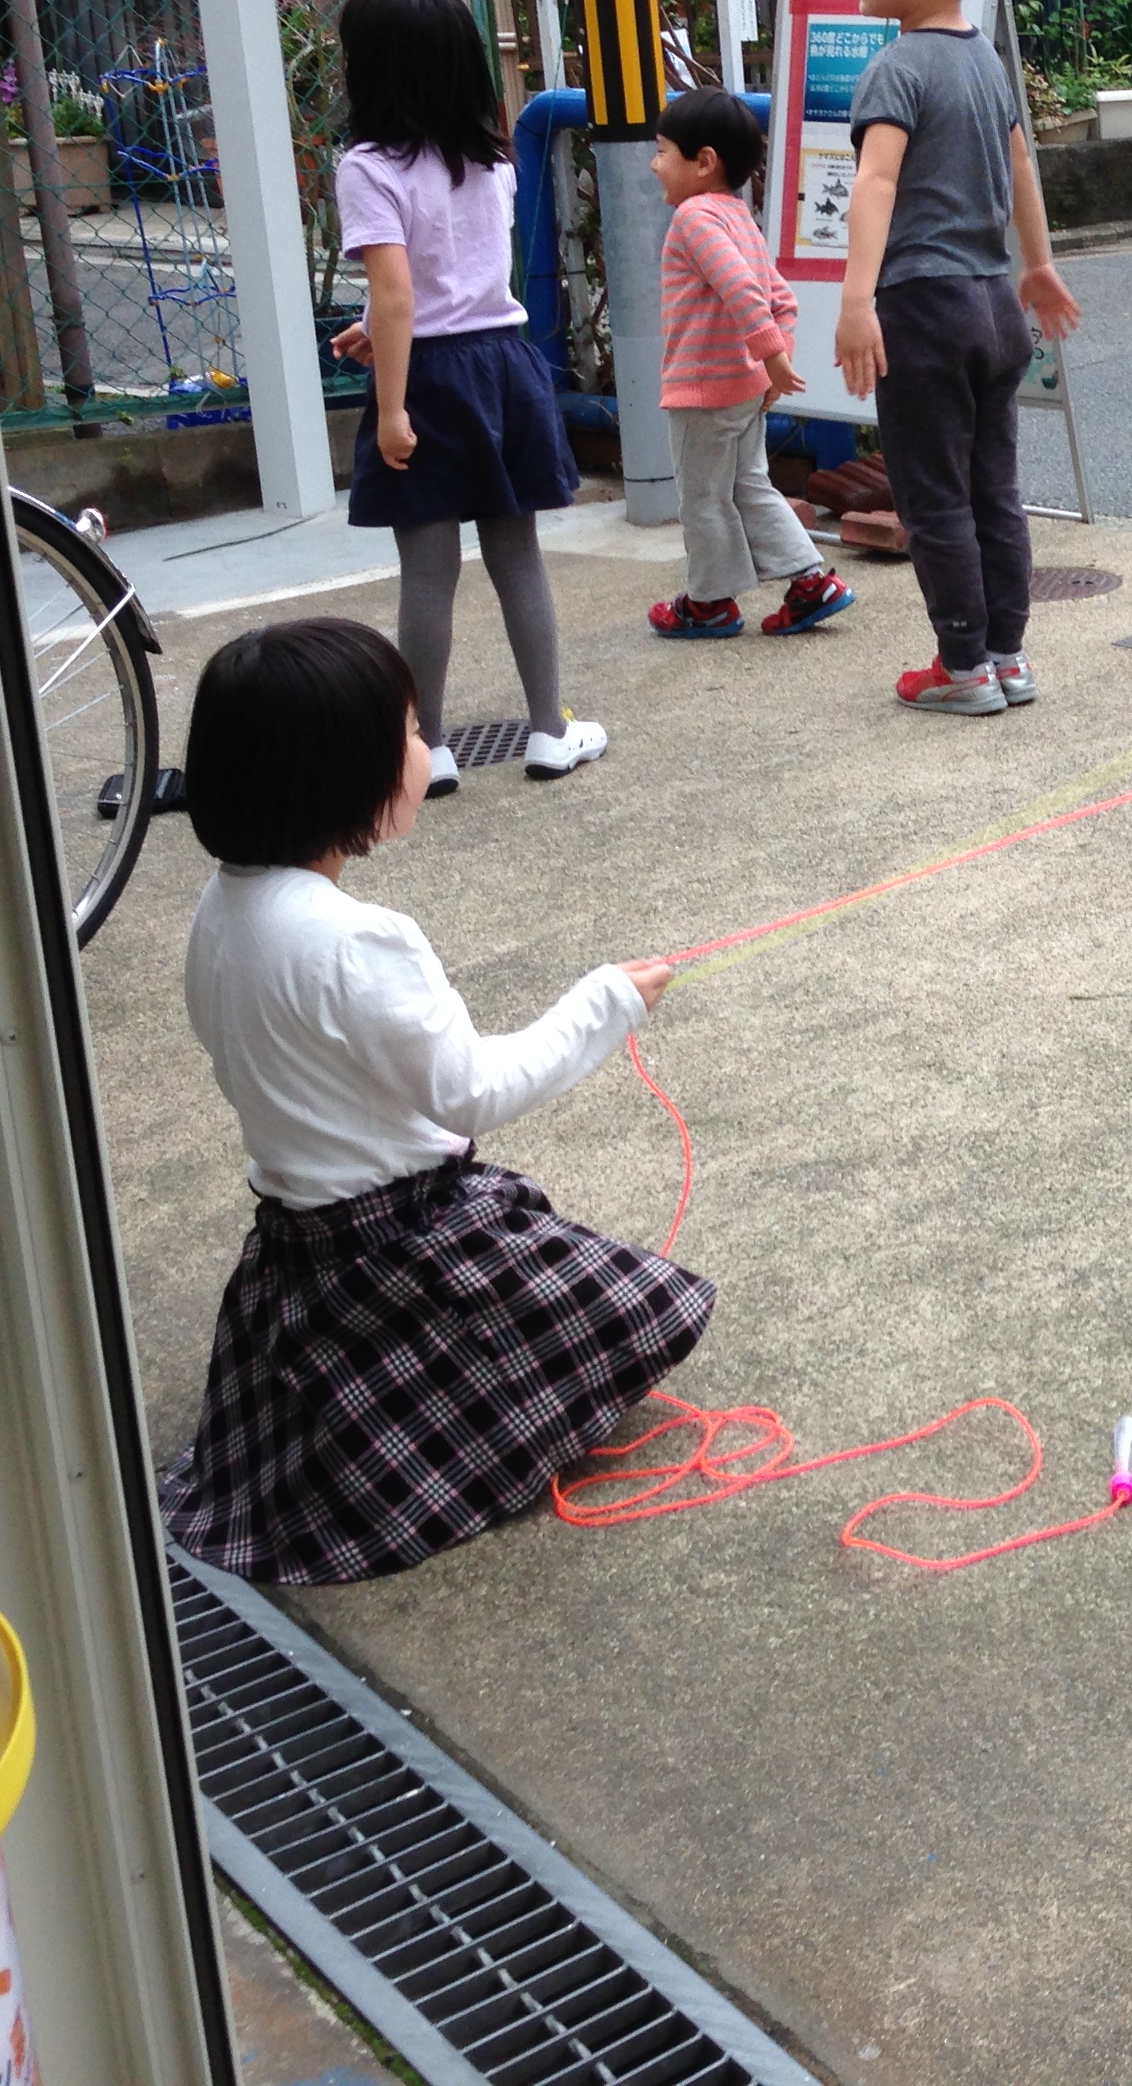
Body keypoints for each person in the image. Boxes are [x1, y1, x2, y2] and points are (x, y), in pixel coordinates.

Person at [161, 617, 710, 1584]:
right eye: (412, 732)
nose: (425, 748)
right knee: (635, 1310)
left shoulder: (220, 909)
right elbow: (471, 1094)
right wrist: (605, 1004)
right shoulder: (357, 942)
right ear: (343, 773)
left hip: (298, 1260)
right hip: (408, 1247)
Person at [326, 0, 606, 795]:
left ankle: (430, 747)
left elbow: (398, 293)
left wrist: (389, 407)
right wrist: (383, 326)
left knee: (427, 571)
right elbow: (459, 275)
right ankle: (550, 731)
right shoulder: (492, 161)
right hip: (503, 364)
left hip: (429, 380)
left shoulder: (367, 168)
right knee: (518, 556)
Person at [832, 0, 1082, 717]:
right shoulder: (984, 63)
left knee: (933, 497)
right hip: (992, 305)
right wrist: (1037, 265)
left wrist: (856, 302)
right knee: (992, 492)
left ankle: (962, 666)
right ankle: (1007, 657)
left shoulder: (896, 67)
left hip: (924, 309)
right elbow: (1021, 166)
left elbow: (875, 183)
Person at [641, 84, 855, 641]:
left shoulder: (693, 218)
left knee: (702, 499)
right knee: (750, 486)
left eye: (662, 151)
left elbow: (741, 289)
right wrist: (772, 363)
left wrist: (772, 356)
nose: (654, 164)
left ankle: (708, 602)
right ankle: (811, 582)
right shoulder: (740, 218)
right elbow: (781, 298)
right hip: (744, 387)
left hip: (703, 389)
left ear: (704, 162)